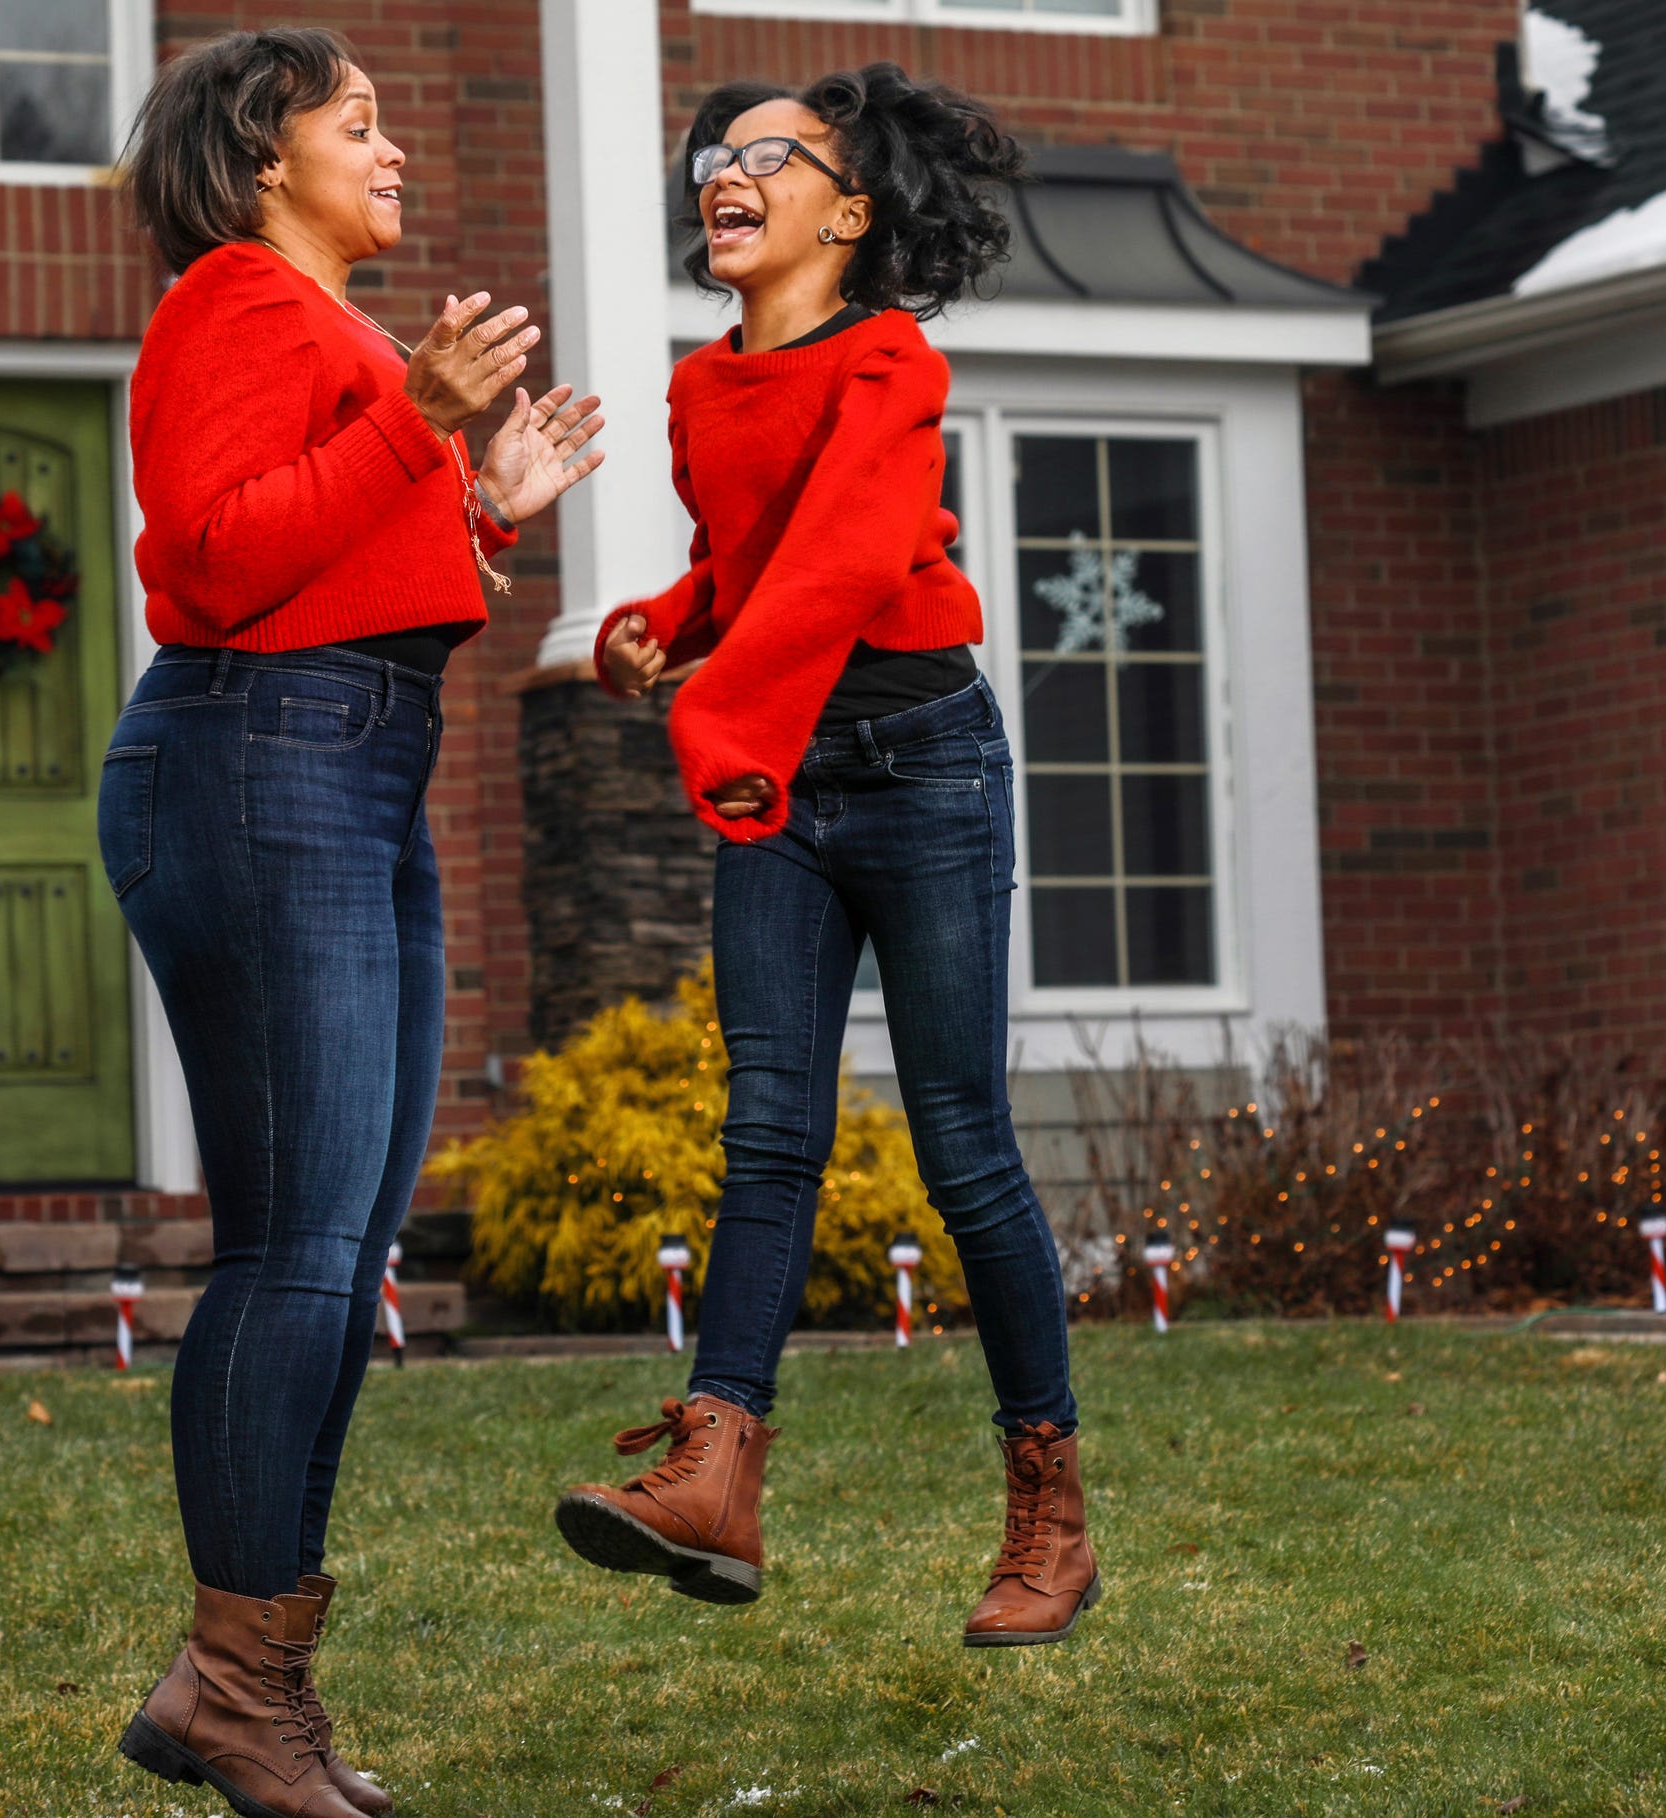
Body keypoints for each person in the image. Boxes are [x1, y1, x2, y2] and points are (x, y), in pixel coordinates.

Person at [104, 29, 602, 1817]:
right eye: (358, 123)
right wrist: (422, 422)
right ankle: (234, 1684)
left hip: (355, 761)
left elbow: (350, 565)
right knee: (292, 1249)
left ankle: (250, 1680)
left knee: (347, 1246)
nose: (392, 152)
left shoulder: (346, 341)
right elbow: (219, 561)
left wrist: (485, 514)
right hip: (258, 761)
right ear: (259, 166)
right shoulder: (233, 303)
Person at [554, 62, 1099, 1650]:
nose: (725, 173)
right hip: (786, 772)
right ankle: (719, 1474)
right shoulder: (701, 385)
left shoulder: (892, 365)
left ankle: (1048, 1513)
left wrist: (721, 714)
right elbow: (753, 568)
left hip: (922, 763)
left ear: (845, 217)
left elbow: (855, 557)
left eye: (768, 159)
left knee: (960, 1142)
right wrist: (662, 628)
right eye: (716, 158)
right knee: (771, 1129)